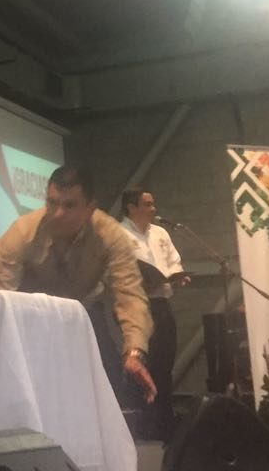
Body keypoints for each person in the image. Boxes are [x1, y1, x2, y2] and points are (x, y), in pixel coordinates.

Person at [0, 166, 156, 403]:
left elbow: (131, 296)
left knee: (108, 381)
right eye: (52, 203)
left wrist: (134, 352)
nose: (57, 214)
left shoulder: (110, 235)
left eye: (69, 205)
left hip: (81, 316)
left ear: (90, 208)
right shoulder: (22, 233)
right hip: (31, 323)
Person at [119, 188, 189, 439]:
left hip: (161, 304)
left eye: (153, 204)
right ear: (131, 207)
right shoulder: (119, 234)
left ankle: (164, 420)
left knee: (164, 363)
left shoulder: (160, 233)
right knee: (141, 365)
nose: (153, 209)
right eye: (147, 204)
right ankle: (144, 422)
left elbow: (173, 262)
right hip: (135, 307)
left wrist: (178, 276)